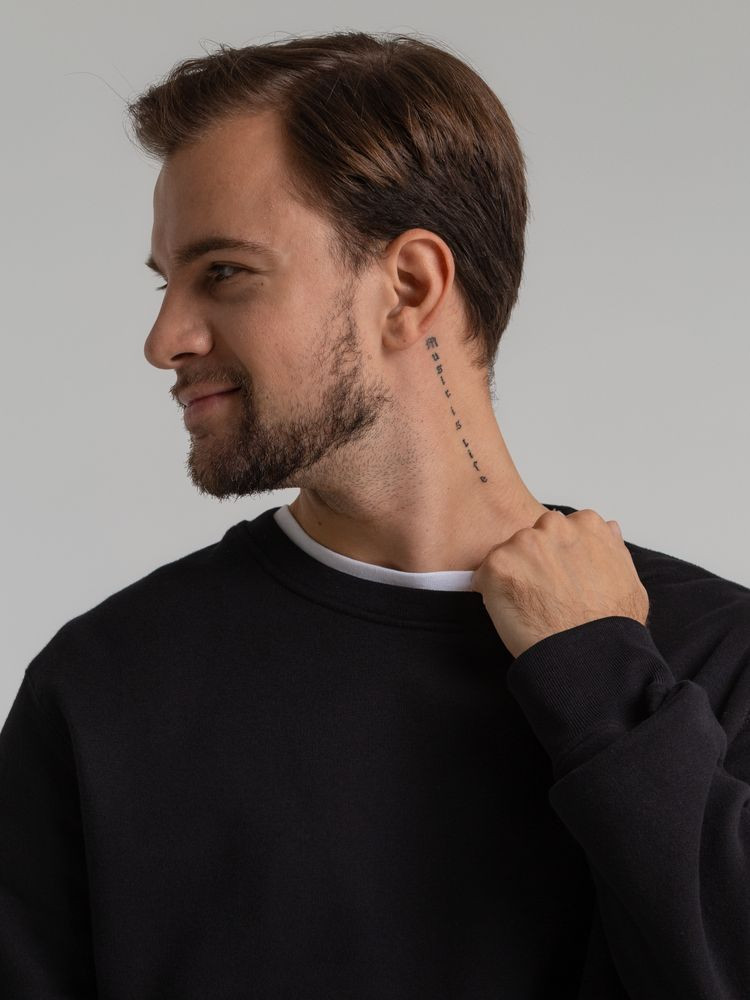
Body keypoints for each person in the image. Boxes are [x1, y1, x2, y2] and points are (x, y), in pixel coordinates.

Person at [1, 30, 749, 1000]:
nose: (163, 338)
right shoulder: (102, 691)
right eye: (165, 281)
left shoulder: (713, 661)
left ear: (409, 287)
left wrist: (604, 685)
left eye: (222, 272)